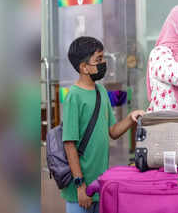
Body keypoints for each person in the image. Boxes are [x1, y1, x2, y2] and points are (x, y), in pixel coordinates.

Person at [62, 36, 145, 213]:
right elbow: (69, 144)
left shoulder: (101, 91)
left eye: (103, 58)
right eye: (98, 60)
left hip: (99, 185)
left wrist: (131, 117)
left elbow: (113, 131)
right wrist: (79, 185)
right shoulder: (73, 97)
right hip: (80, 190)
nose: (103, 63)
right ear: (84, 67)